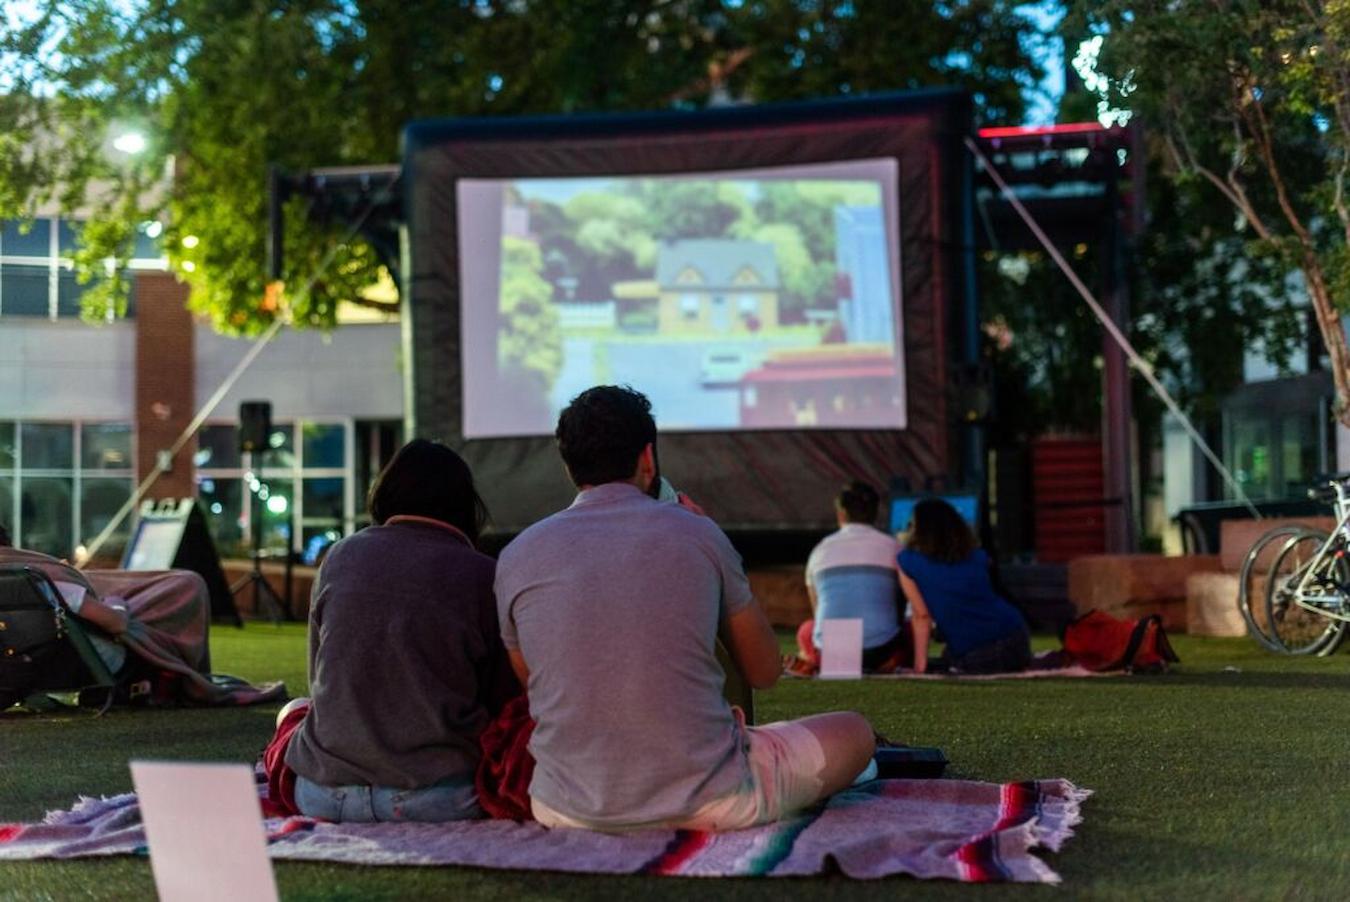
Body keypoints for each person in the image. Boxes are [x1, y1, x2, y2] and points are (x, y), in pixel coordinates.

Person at [494, 385, 876, 833]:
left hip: (565, 807)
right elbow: (765, 671)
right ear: (648, 459)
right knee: (856, 732)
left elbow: (535, 684)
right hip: (714, 799)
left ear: (569, 466)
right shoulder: (698, 533)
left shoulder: (517, 554)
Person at [284, 439, 519, 823]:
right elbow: (502, 703)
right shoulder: (481, 573)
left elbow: (319, 682)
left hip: (321, 794)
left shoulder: (339, 557)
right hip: (441, 798)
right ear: (464, 504)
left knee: (293, 712)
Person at [0, 523, 283, 706]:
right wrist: (116, 603)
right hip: (89, 662)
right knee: (160, 610)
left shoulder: (16, 583)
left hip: (36, 667)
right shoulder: (42, 579)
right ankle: (166, 679)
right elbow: (116, 623)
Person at [897, 498, 1031, 674]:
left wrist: (919, 668)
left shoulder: (908, 561)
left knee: (951, 662)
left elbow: (921, 615)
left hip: (977, 651)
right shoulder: (978, 557)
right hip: (1016, 637)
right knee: (950, 656)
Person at [790, 480, 909, 676]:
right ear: (876, 512)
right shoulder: (893, 547)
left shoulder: (819, 551)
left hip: (833, 650)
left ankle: (819, 659)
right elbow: (902, 603)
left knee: (807, 630)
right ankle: (890, 660)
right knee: (909, 627)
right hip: (881, 650)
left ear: (841, 514)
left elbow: (818, 609)